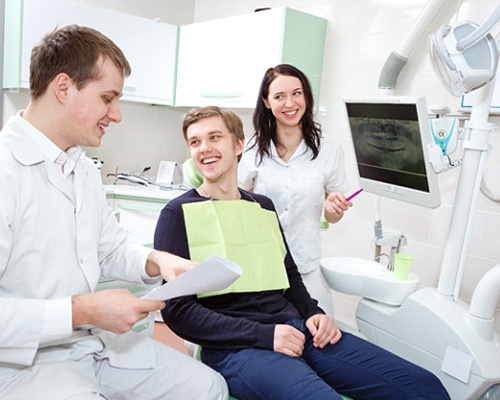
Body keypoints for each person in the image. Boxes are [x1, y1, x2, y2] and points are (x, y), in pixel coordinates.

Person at [155, 106, 450, 400]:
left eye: (214, 137)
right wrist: (265, 336)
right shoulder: (177, 214)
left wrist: (314, 313)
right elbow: (178, 311)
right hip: (236, 346)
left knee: (424, 387)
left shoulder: (262, 207)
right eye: (195, 142)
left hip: (298, 329)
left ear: (238, 145)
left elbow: (289, 276)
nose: (204, 148)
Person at [0, 25, 228, 400]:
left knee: (208, 386)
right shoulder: (8, 171)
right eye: (108, 98)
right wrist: (82, 311)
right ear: (63, 88)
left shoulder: (83, 170)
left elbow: (110, 250)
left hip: (88, 347)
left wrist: (158, 261)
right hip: (20, 365)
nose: (116, 114)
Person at [238, 64, 351, 317]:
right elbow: (231, 200)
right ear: (267, 102)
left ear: (306, 96)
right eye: (279, 96)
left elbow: (333, 215)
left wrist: (333, 209)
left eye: (297, 93)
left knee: (324, 329)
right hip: (261, 264)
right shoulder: (253, 148)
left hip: (305, 264)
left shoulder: (329, 148)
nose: (290, 103)